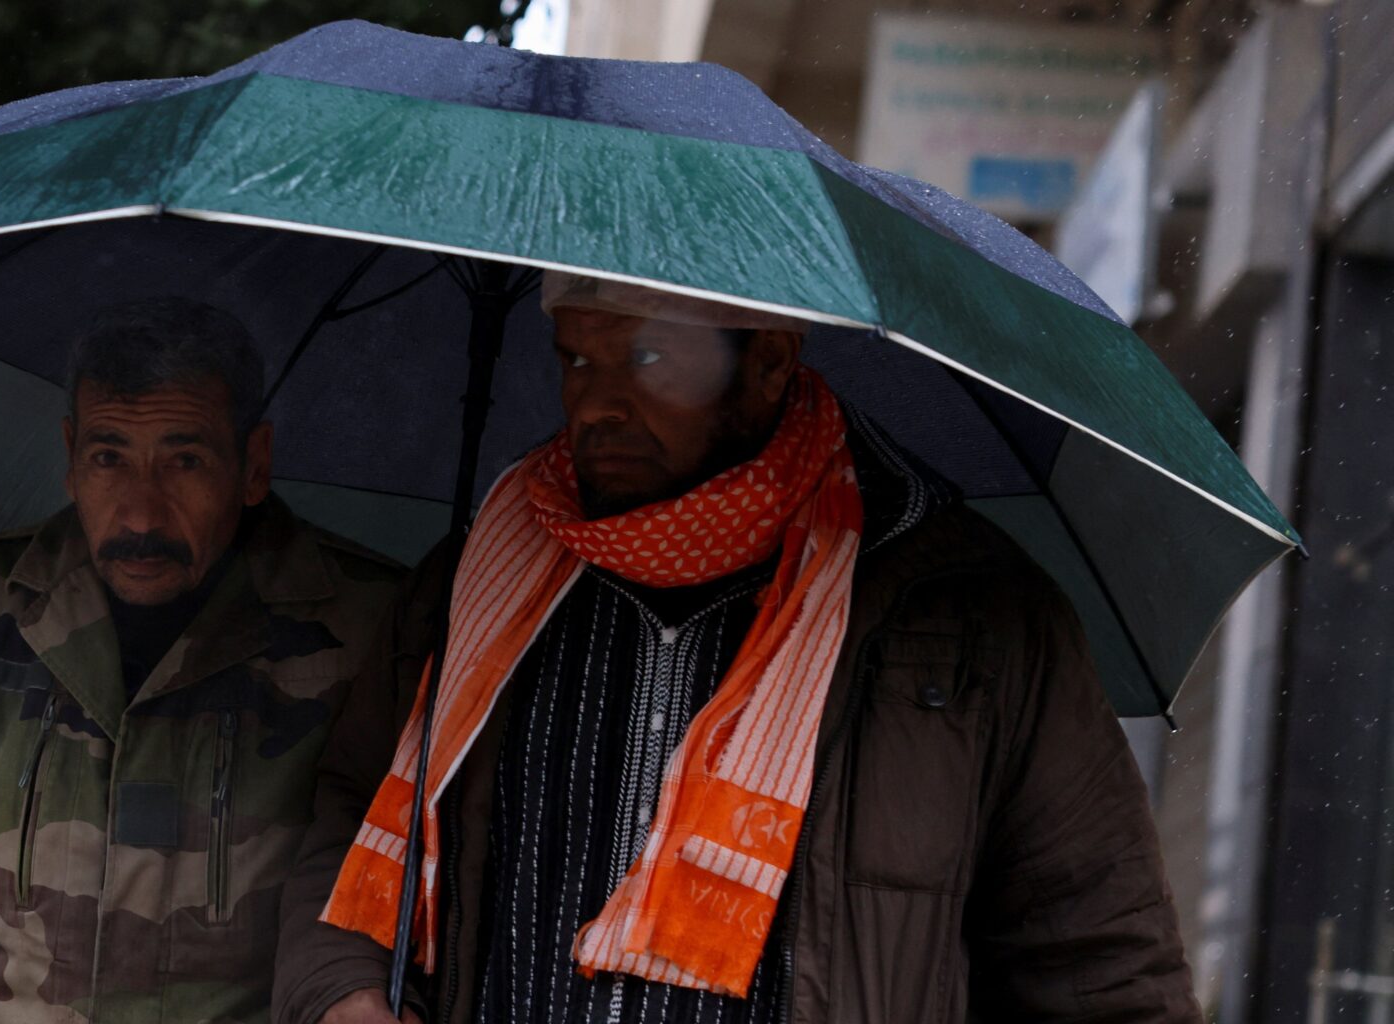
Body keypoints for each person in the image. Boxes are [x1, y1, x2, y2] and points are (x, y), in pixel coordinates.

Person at [274, 274, 1200, 1024]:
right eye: (576, 359)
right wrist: (342, 991)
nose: (597, 406)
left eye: (646, 359)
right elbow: (355, 818)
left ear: (769, 363)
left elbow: (1099, 967)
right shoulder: (477, 580)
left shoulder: (968, 615)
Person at [0, 298, 405, 1023]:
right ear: (70, 456)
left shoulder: (371, 630)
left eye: (185, 461)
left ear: (254, 464)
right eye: (109, 457)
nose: (141, 514)